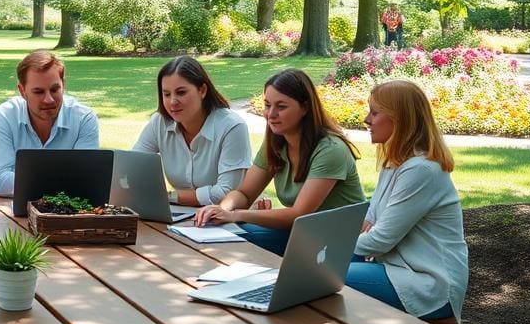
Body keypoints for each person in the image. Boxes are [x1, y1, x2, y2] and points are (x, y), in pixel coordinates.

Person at [195, 68, 365, 255]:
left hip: (340, 243)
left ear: (305, 108)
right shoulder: (276, 143)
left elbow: (298, 215)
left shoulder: (331, 150)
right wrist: (221, 209)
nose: (271, 114)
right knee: (227, 236)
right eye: (267, 105)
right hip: (304, 235)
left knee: (241, 235)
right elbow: (244, 193)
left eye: (281, 106)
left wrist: (235, 215)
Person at [346, 80, 468, 322]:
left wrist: (333, 248)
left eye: (375, 112)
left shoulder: (421, 170)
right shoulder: (395, 163)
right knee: (311, 272)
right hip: (397, 269)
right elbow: (369, 222)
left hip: (427, 282)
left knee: (321, 279)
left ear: (399, 119)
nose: (367, 119)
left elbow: (380, 239)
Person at [133, 55, 251, 206]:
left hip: (226, 220)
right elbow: (131, 168)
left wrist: (168, 196)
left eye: (181, 92)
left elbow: (226, 193)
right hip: (179, 217)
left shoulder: (232, 127)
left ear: (202, 90)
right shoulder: (159, 122)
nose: (172, 102)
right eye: (166, 94)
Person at [0, 50, 99, 197]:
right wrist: (64, 183)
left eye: (54, 90)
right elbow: (0, 181)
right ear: (22, 91)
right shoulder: (4, 116)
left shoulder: (84, 119)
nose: (49, 100)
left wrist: (28, 184)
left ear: (63, 85)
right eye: (39, 92)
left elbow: (87, 180)